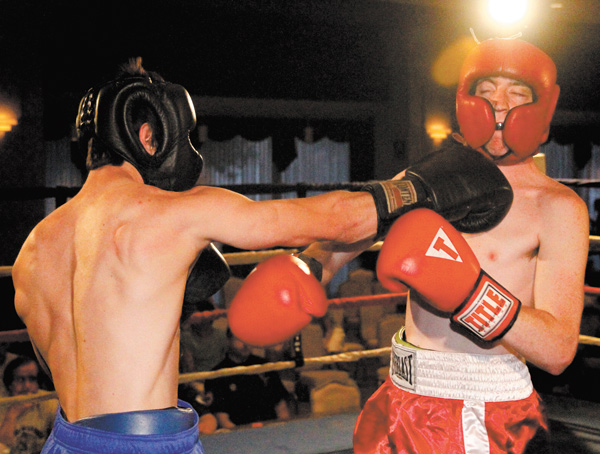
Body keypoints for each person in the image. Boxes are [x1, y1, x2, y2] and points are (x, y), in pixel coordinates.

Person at [11, 56, 510, 454]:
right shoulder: (173, 213)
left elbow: (62, 364)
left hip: (66, 439)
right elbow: (337, 219)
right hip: (145, 444)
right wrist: (417, 188)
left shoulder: (34, 249)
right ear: (148, 137)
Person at [228, 38, 590, 454]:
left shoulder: (558, 207)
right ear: (464, 101)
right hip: (400, 394)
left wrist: (469, 293)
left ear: (541, 106)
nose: (498, 108)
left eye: (515, 95)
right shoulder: (427, 178)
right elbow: (345, 239)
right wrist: (309, 267)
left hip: (482, 410)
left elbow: (559, 350)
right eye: (486, 94)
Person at [204, 331, 290, 429]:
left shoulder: (265, 366)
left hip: (271, 430)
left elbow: (281, 406)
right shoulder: (217, 375)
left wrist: (284, 429)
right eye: (239, 339)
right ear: (228, 340)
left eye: (248, 339)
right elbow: (223, 420)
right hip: (239, 434)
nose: (245, 344)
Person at [0, 356, 58, 454]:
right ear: (10, 383)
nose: (27, 386)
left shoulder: (49, 402)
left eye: (32, 379)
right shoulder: (3, 402)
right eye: (20, 379)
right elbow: (3, 446)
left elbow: (60, 443)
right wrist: (12, 415)